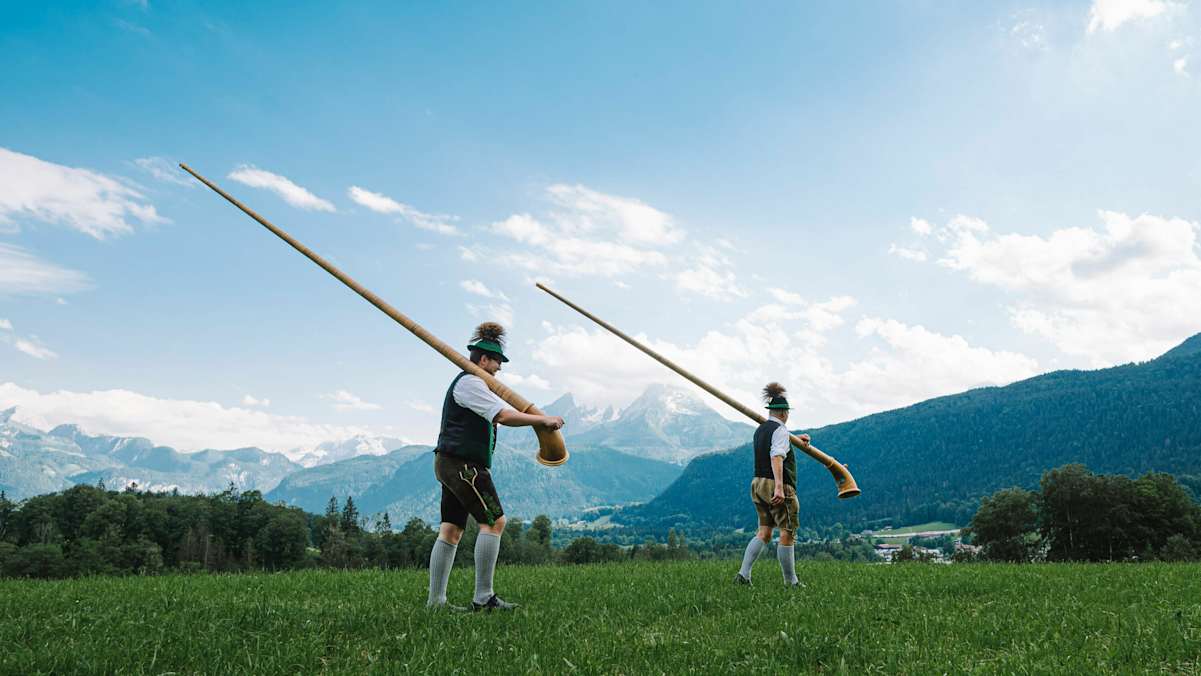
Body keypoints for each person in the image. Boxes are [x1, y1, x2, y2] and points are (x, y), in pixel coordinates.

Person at [426, 322, 565, 611]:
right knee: (494, 522)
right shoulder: (471, 383)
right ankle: (483, 598)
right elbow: (502, 416)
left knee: (451, 529)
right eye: (497, 361)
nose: (499, 368)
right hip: (464, 466)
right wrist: (542, 419)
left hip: (450, 462)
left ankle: (436, 603)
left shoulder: (471, 383)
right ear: (484, 360)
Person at [734, 382, 809, 587]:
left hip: (757, 484)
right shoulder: (781, 431)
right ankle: (791, 582)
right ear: (784, 412)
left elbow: (775, 444)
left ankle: (743, 575)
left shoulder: (761, 430)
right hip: (776, 485)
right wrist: (779, 487)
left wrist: (795, 440)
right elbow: (776, 456)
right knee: (787, 532)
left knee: (764, 532)